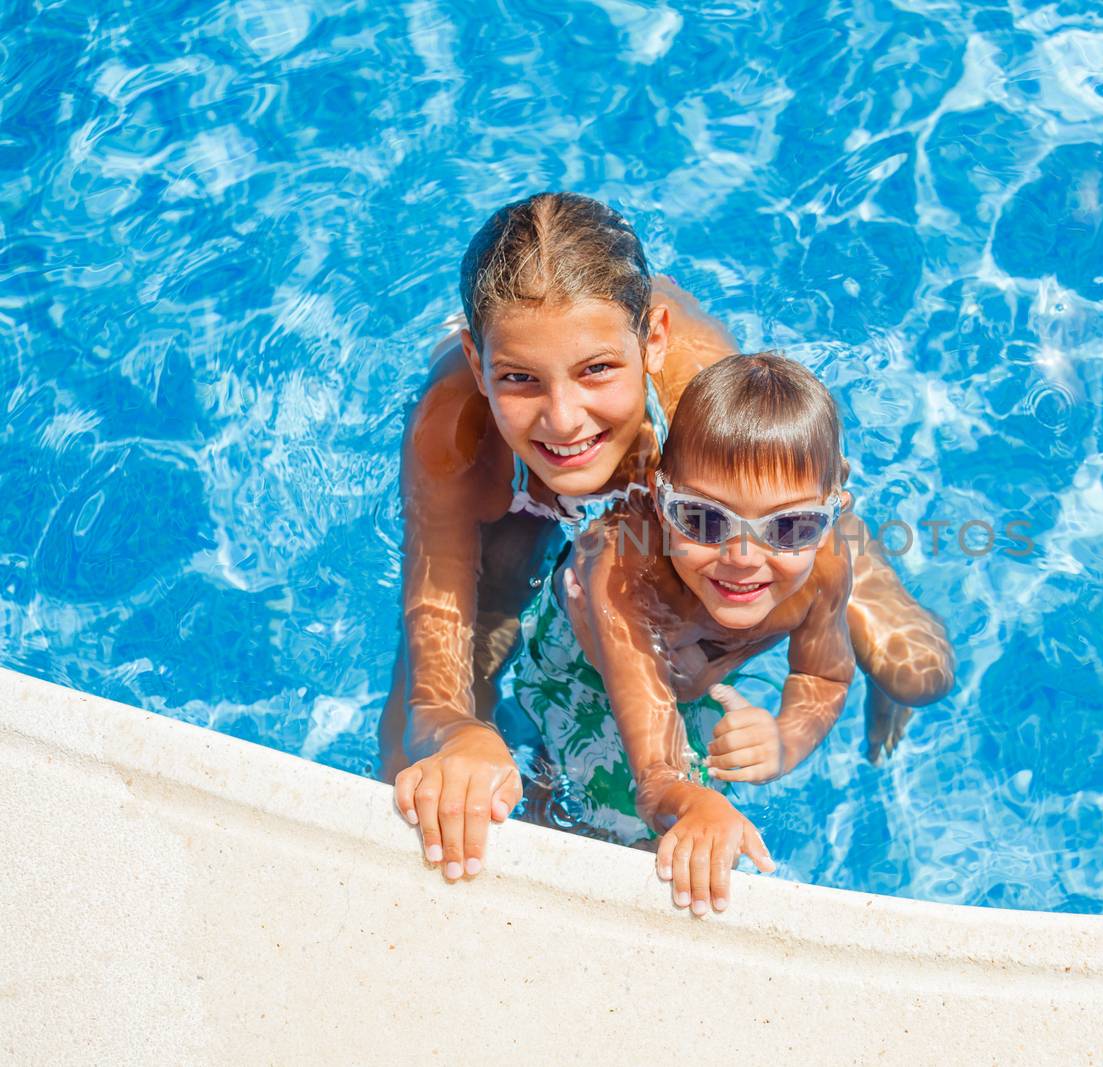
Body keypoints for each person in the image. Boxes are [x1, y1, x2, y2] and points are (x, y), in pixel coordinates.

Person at [381, 192, 953, 884]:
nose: (562, 421)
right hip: (518, 497)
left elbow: (786, 498)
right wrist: (458, 735)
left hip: (715, 482)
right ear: (479, 364)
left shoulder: (695, 388)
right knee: (430, 768)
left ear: (652, 340)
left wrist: (874, 666)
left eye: (597, 370)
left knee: (912, 666)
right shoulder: (454, 436)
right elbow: (430, 672)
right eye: (519, 378)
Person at [512, 353, 854, 914]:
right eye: (703, 520)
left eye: (791, 527)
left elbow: (823, 674)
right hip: (580, 667)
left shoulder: (827, 568)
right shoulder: (623, 569)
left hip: (695, 669)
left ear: (833, 512)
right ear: (657, 495)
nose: (743, 558)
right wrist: (688, 799)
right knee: (586, 826)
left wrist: (786, 738)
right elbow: (656, 772)